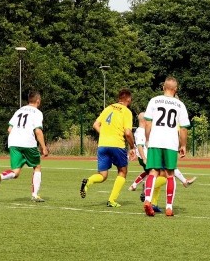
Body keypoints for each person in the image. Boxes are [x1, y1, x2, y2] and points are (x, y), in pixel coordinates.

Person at [142, 77, 190, 217]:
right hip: (171, 142)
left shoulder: (154, 100)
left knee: (153, 172)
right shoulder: (180, 105)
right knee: (170, 174)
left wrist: (147, 139)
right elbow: (184, 129)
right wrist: (183, 145)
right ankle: (169, 207)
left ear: (163, 87)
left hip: (155, 141)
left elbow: (148, 123)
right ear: (176, 90)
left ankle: (148, 200)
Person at [80, 89, 136, 208]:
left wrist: (105, 134)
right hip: (117, 145)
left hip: (103, 145)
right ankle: (112, 200)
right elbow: (127, 133)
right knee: (122, 171)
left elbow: (95, 124)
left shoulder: (108, 108)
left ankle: (88, 182)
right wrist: (132, 146)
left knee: (103, 175)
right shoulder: (126, 111)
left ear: (118, 98)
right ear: (128, 99)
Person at [0, 91, 49, 202]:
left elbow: (9, 129)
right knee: (37, 166)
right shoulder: (37, 112)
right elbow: (38, 131)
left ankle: (1, 176)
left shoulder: (19, 110)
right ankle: (35, 195)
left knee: (16, 172)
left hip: (13, 142)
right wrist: (44, 147)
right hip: (27, 142)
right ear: (38, 101)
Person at [129, 112, 196, 205]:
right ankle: (148, 190)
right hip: (147, 157)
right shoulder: (140, 131)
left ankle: (150, 199)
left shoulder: (143, 130)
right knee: (166, 173)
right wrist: (144, 158)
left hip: (149, 155)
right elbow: (140, 145)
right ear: (145, 121)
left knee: (158, 173)